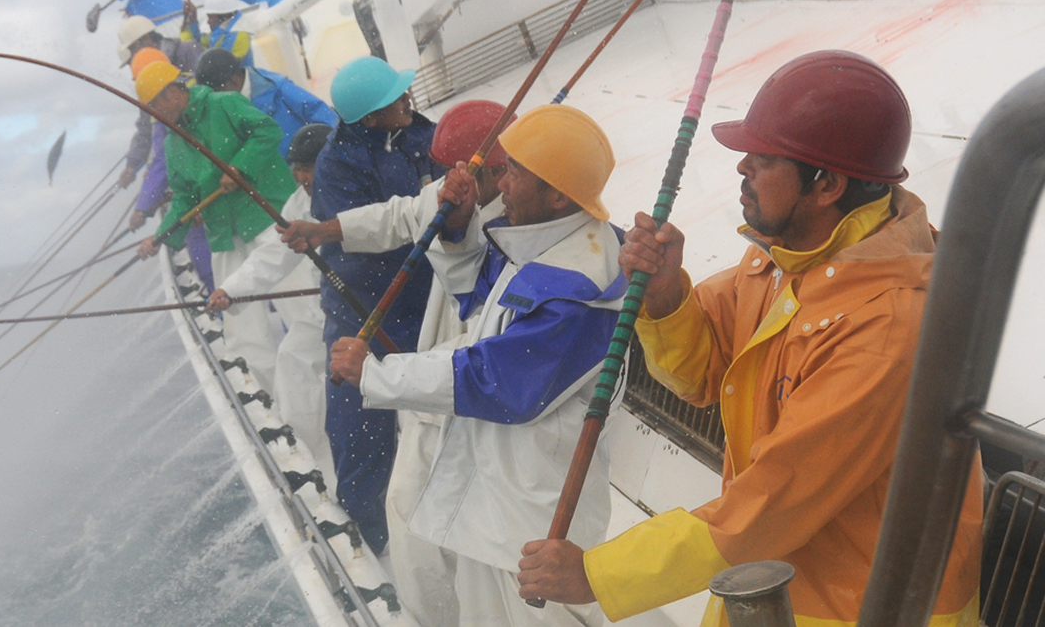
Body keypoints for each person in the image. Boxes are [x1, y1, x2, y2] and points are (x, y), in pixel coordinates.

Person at [516, 51, 984, 627]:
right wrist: (665, 297)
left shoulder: (889, 325)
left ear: (827, 184)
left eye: (762, 161)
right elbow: (701, 375)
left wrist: (601, 575)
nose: (742, 169)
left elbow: (774, 500)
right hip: (774, 583)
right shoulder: (788, 259)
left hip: (862, 609)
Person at [327, 104, 622, 627]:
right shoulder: (541, 240)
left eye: (515, 173)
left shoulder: (579, 287)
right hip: (496, 508)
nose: (501, 183)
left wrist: (376, 374)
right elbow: (480, 302)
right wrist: (460, 230)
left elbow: (496, 380)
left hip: (535, 523)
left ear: (558, 194)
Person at [281, 98, 510, 627]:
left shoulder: (516, 227)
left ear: (495, 171)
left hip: (462, 393)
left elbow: (486, 353)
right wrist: (326, 230)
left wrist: (380, 375)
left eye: (457, 171)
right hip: (440, 383)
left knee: (423, 514)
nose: (445, 183)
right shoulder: (458, 190)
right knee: (413, 512)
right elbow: (403, 214)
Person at [310, 55, 445, 553]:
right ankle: (367, 534)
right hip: (363, 306)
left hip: (428, 299)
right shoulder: (336, 166)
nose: (407, 99)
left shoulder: (422, 135)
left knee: (438, 414)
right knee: (358, 424)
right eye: (395, 97)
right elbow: (371, 235)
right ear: (369, 119)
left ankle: (436, 527)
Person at [137, 61, 298, 394]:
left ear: (171, 93)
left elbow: (268, 131)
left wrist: (239, 168)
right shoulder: (173, 142)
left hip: (269, 221)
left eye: (155, 107)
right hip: (225, 237)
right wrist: (161, 236)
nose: (157, 117)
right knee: (244, 337)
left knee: (303, 314)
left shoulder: (224, 103)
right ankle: (278, 403)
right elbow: (184, 196)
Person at [207, 123, 337, 479]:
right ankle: (307, 461)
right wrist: (231, 290)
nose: (300, 177)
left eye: (306, 168)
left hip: (374, 303)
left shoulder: (355, 186)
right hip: (331, 306)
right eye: (296, 169)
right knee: (292, 359)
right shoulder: (300, 203)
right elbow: (274, 255)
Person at [127, 51, 213, 292]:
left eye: (154, 105)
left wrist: (144, 207)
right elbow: (181, 185)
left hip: (221, 209)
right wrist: (158, 234)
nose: (155, 112)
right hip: (203, 203)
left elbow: (162, 164)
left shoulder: (210, 105)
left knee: (209, 261)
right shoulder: (174, 120)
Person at [193, 48, 338, 158]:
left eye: (216, 91)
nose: (214, 99)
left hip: (306, 164)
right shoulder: (222, 108)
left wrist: (321, 155)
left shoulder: (277, 88)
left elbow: (322, 114)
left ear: (234, 80)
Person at [116, 15, 203, 189]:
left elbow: (207, 98)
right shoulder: (147, 80)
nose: (133, 64)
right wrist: (132, 164)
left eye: (132, 53)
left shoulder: (189, 51)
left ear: (145, 39)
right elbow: (146, 126)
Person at [188, 0, 255, 66]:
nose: (208, 22)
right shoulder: (222, 31)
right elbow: (201, 44)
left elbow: (218, 68)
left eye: (210, 17)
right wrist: (193, 21)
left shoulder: (236, 36)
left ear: (224, 17)